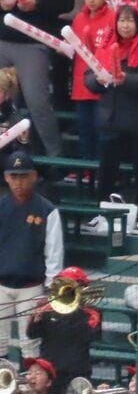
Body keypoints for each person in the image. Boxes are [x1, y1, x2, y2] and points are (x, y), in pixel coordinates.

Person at [84, 4, 138, 229]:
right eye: (122, 20)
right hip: (111, 121)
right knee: (107, 171)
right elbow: (88, 77)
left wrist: (126, 79)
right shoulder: (107, 46)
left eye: (130, 21)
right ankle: (103, 213)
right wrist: (97, 80)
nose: (125, 25)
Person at [0, 0, 74, 157]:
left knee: (37, 102)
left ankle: (55, 157)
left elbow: (67, 2)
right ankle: (9, 155)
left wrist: (38, 4)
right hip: (4, 38)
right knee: (4, 102)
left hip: (33, 42)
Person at [0, 151, 63, 359]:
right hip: (1, 285)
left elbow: (54, 254)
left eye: (24, 176)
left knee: (30, 345)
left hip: (32, 287)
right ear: (6, 177)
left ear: (34, 176)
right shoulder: (1, 206)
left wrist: (50, 292)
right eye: (14, 176)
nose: (19, 182)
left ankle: (30, 390)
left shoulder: (46, 210)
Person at [26, 266, 101, 392]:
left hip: (76, 370)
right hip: (49, 369)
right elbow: (31, 334)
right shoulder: (48, 308)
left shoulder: (91, 312)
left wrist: (71, 312)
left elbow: (91, 336)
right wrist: (36, 320)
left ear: (81, 288)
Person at [68, 0, 115, 164]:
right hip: (81, 83)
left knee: (101, 128)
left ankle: (102, 167)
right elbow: (72, 46)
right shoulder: (79, 18)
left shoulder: (112, 17)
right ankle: (86, 168)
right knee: (85, 128)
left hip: (102, 84)